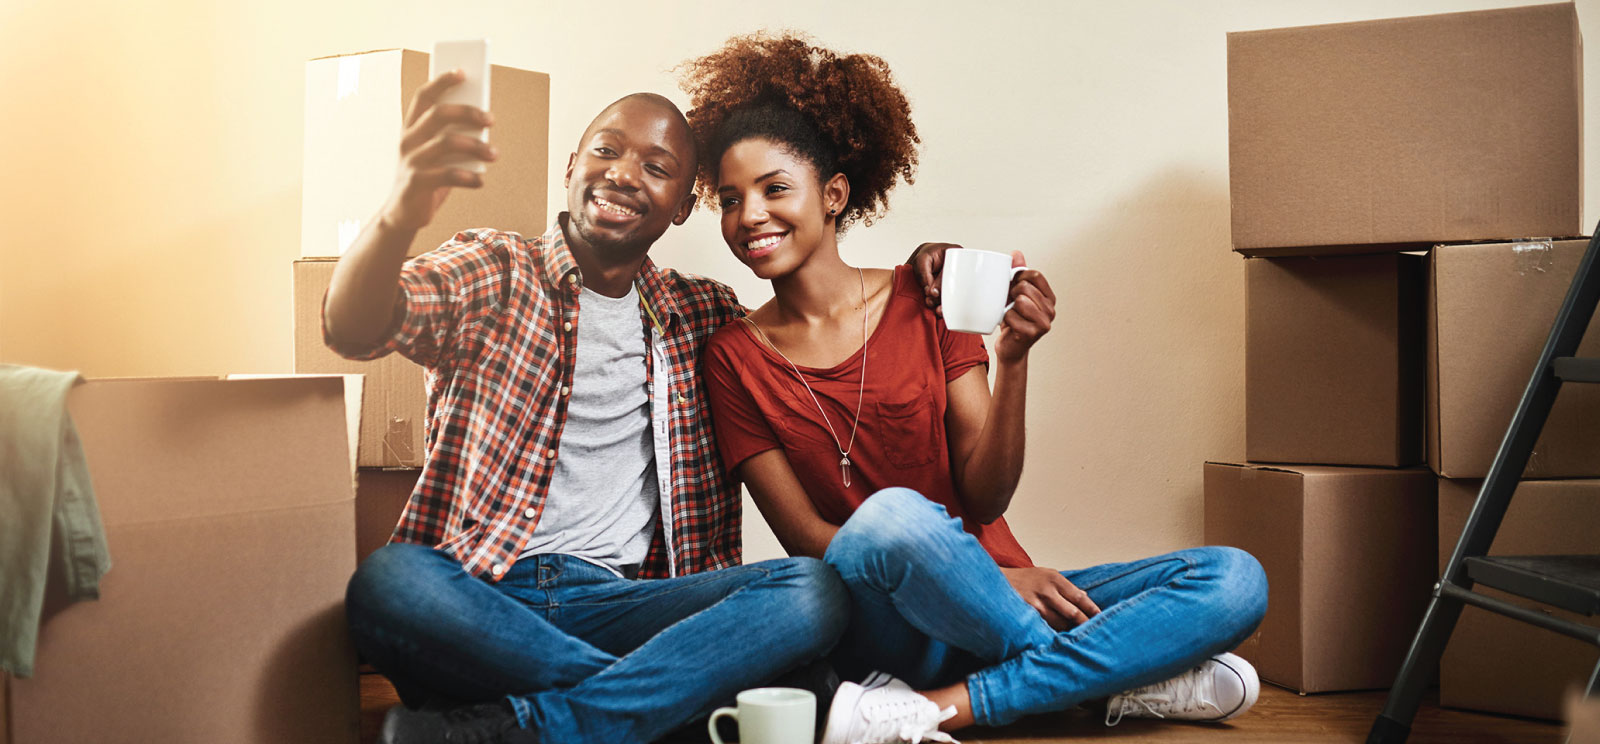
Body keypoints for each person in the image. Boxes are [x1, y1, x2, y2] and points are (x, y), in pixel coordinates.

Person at [684, 32, 1270, 743]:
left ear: (833, 193)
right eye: (729, 198)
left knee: (1235, 578)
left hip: (1004, 593)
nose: (749, 216)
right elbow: (810, 542)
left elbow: (986, 496)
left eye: (774, 188)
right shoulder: (733, 356)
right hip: (887, 622)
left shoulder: (930, 295)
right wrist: (973, 580)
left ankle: (940, 708)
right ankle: (1108, 678)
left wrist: (1015, 358)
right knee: (891, 521)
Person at [322, 73, 853, 743]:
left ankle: (542, 725)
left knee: (811, 591)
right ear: (572, 168)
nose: (625, 174)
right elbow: (352, 326)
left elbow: (822, 334)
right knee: (390, 583)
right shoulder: (496, 267)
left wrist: (916, 280)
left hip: (627, 602)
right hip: (482, 598)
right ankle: (673, 712)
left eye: (657, 167)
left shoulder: (704, 315)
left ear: (682, 207)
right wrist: (402, 209)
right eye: (606, 151)